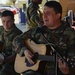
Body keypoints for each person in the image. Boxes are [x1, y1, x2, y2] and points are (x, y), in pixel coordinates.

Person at [13, 1, 75, 75]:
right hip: (36, 71)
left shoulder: (70, 34)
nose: (44, 16)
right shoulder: (38, 30)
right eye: (43, 12)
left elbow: (72, 63)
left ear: (58, 15)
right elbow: (16, 39)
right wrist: (25, 50)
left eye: (48, 13)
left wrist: (68, 72)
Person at [0, 10, 22, 75]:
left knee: (3, 72)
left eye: (8, 21)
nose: (5, 24)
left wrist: (3, 61)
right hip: (2, 57)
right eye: (3, 21)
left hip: (12, 63)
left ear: (13, 20)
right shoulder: (1, 29)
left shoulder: (18, 34)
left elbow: (16, 55)